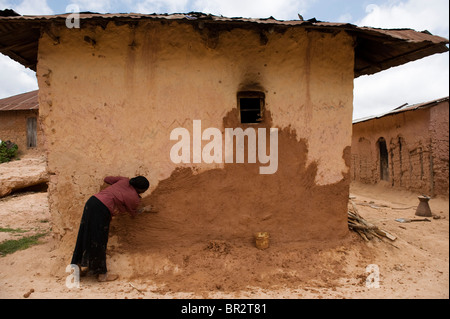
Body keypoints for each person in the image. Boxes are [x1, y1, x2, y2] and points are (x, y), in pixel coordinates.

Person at [71, 175, 151, 282]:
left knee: (84, 234)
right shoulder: (134, 198)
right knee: (99, 240)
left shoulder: (124, 180)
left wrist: (117, 188)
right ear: (141, 190)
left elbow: (107, 179)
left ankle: (77, 268)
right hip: (101, 210)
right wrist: (145, 209)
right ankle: (102, 275)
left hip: (91, 202)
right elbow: (133, 213)